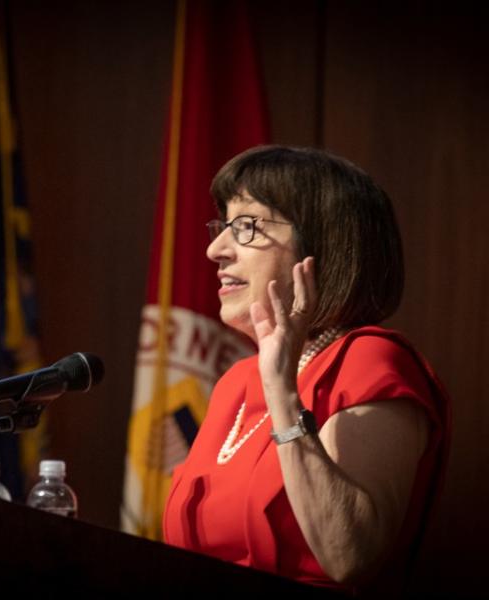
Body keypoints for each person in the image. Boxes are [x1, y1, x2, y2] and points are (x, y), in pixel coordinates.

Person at [162, 146, 451, 594]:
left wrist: (281, 390)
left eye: (245, 227)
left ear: (320, 246)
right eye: (223, 227)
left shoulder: (370, 362)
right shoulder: (234, 383)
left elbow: (349, 556)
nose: (215, 249)